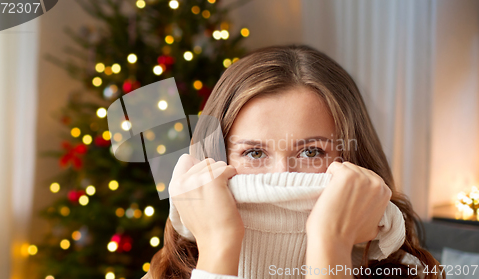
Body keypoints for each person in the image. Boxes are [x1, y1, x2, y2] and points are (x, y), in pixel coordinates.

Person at [145, 45, 443, 279]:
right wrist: (218, 246)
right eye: (255, 153)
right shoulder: (164, 274)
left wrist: (331, 244)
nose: (282, 176)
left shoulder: (409, 274)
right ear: (215, 159)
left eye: (311, 152)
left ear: (352, 160)